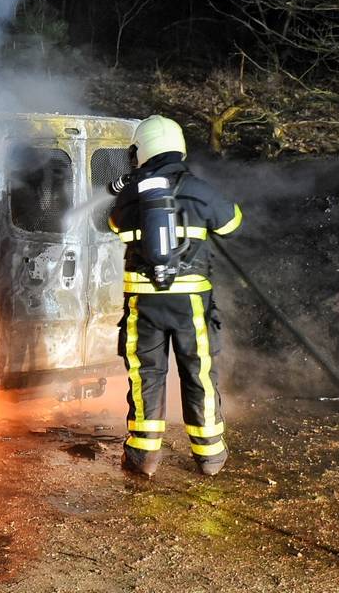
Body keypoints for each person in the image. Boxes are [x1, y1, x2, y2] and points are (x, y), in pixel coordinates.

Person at [106, 115, 242, 477]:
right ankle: (210, 457)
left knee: (145, 373)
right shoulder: (199, 188)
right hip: (191, 305)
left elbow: (112, 223)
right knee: (198, 372)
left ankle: (142, 457)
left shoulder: (132, 194)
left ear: (142, 151)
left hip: (144, 303)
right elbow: (231, 222)